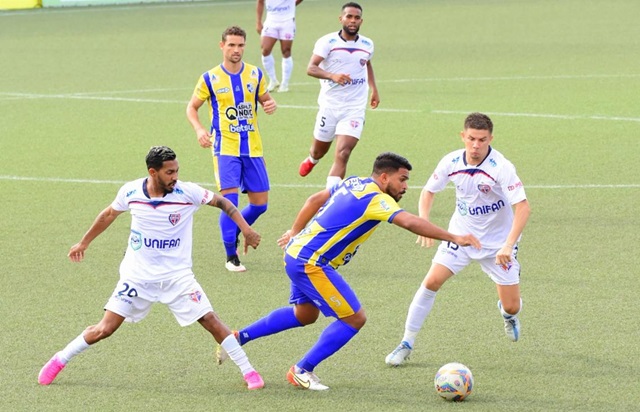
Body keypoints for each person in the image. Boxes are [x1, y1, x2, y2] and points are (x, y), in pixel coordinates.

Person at [217, 152, 481, 390]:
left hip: (296, 254)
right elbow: (409, 222)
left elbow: (314, 199)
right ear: (385, 177)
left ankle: (239, 338)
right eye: (402, 179)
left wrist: (295, 232)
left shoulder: (355, 182)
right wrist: (454, 237)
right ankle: (301, 370)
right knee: (355, 318)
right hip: (311, 262)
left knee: (305, 314)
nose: (405, 186)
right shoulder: (376, 198)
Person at [37, 146, 265, 390]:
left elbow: (223, 203)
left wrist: (246, 228)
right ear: (153, 172)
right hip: (137, 277)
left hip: (177, 277)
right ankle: (60, 359)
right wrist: (84, 242)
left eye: (176, 170)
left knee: (210, 319)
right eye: (169, 172)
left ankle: (249, 371)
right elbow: (108, 215)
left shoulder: (187, 192)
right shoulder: (132, 191)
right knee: (105, 329)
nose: (175, 176)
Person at [385, 113, 531, 367]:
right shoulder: (451, 161)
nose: (476, 145)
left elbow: (523, 208)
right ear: (463, 136)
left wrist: (508, 244)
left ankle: (508, 315)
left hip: (498, 246)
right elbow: (429, 191)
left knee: (512, 305)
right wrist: (424, 223)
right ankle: (406, 343)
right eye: (471, 139)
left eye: (482, 140)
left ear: (490, 139)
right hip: (461, 237)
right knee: (430, 282)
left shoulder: (502, 168)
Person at [186, 26, 277, 273]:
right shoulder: (210, 78)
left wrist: (270, 104)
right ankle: (231, 255)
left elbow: (265, 99)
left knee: (260, 204)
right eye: (231, 45)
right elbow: (191, 108)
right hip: (225, 148)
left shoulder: (255, 74)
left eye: (240, 45)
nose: (236, 50)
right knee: (230, 201)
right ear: (222, 46)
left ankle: (235, 228)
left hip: (253, 148)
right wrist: (199, 130)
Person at [298, 2, 380, 190]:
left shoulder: (367, 44)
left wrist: (374, 88)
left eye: (356, 17)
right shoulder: (327, 42)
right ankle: (312, 159)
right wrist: (332, 75)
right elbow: (311, 68)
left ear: (361, 20)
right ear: (341, 18)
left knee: (343, 153)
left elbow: (366, 64)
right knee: (319, 150)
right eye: (349, 17)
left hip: (354, 108)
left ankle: (330, 198)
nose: (352, 21)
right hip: (330, 106)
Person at [256, 0, 304, 93]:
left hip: (287, 21)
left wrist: (292, 5)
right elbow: (260, 2)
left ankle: (284, 84)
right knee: (265, 50)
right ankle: (273, 80)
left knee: (286, 51)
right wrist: (258, 21)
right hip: (271, 21)